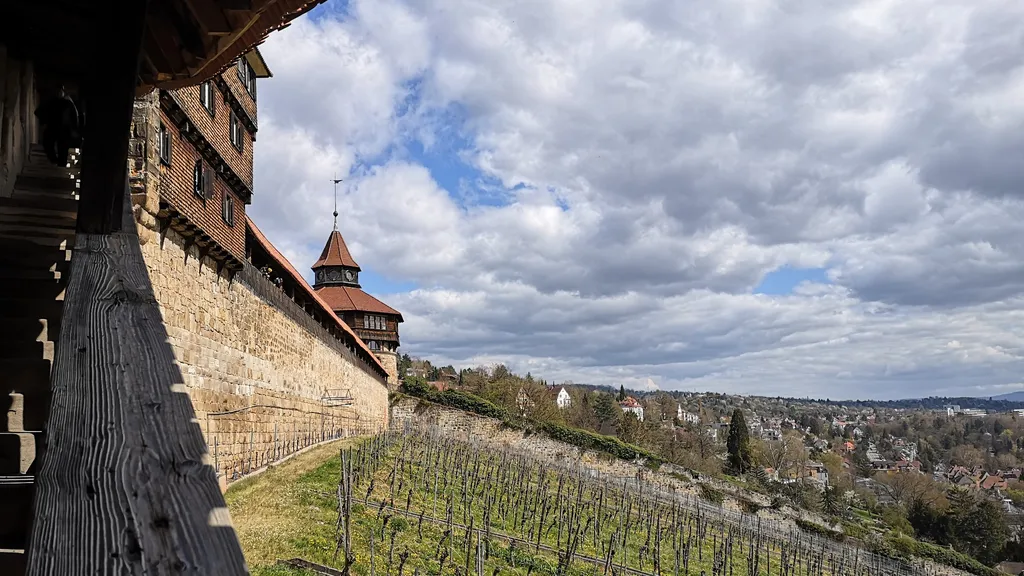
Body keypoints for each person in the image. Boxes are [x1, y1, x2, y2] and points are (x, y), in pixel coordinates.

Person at [34, 86, 82, 166]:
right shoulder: (52, 102)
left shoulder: (67, 103)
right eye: (57, 91)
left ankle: (60, 164)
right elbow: (38, 112)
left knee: (62, 149)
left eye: (60, 91)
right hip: (54, 128)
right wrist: (45, 120)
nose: (59, 93)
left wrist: (73, 128)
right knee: (48, 144)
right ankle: (55, 161)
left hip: (63, 130)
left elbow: (74, 116)